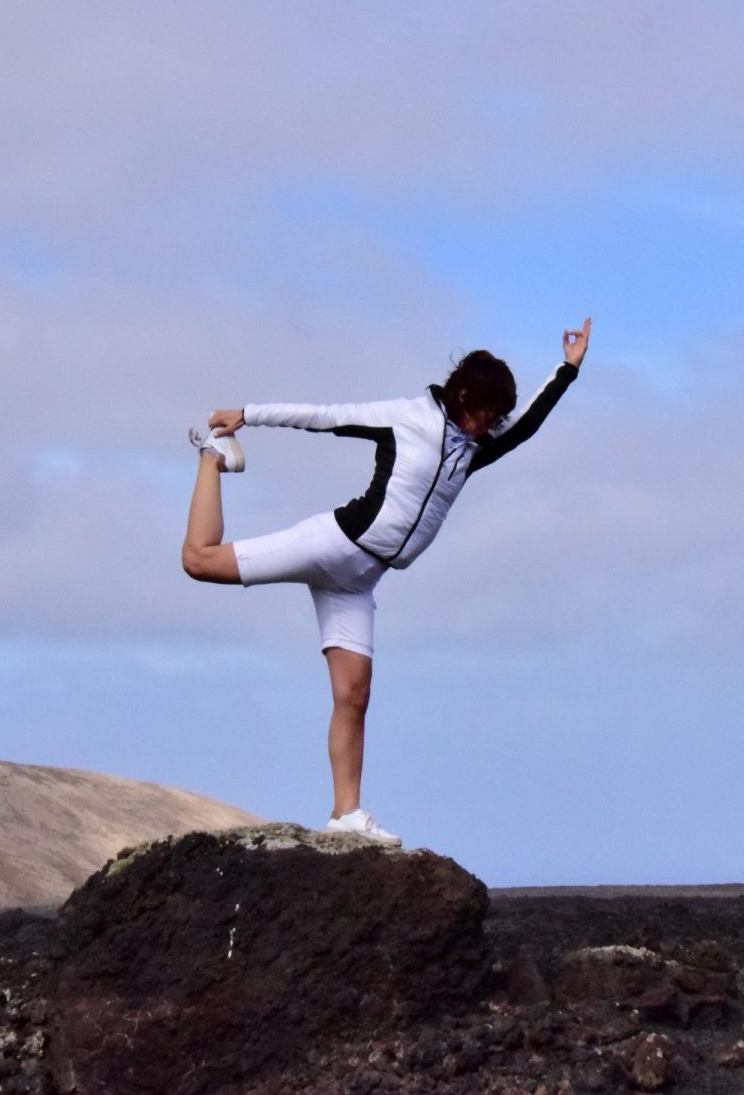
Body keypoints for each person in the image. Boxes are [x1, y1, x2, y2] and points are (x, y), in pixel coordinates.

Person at [181, 318, 592, 846]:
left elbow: (529, 423)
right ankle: (210, 459)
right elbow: (325, 418)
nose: (481, 428)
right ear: (462, 393)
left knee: (353, 695)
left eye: (491, 421)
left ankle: (345, 813)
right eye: (480, 414)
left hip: (359, 582)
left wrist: (568, 370)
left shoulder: (474, 449)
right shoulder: (406, 417)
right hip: (331, 545)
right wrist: (248, 416)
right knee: (198, 560)